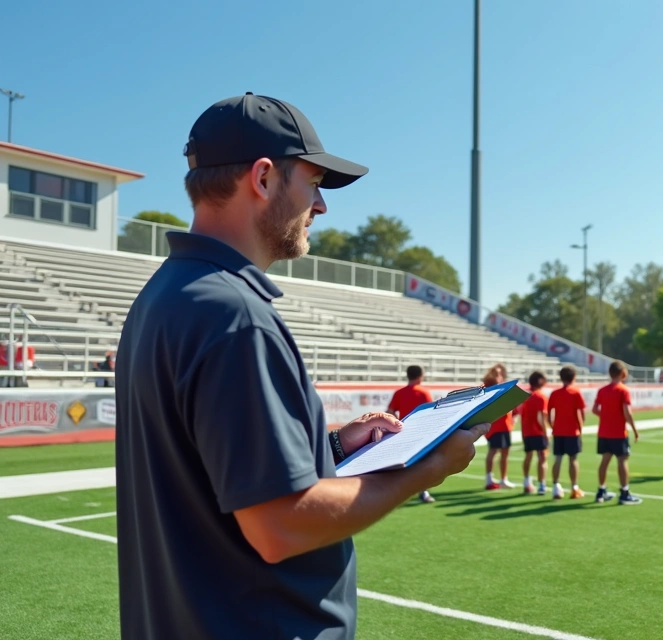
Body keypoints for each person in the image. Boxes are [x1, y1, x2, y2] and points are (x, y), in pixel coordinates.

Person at [114, 93, 487, 640]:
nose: (321, 205)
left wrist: (332, 447)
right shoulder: (233, 313)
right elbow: (279, 525)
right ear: (263, 178)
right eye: (312, 183)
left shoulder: (165, 297)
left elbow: (217, 466)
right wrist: (427, 468)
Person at [592, 360, 642, 505]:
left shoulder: (602, 390)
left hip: (604, 432)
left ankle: (601, 490)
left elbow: (595, 409)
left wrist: (606, 416)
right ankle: (624, 492)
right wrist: (634, 429)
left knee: (604, 461)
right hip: (619, 433)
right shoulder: (623, 390)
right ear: (622, 373)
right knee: (622, 460)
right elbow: (627, 412)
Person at [388, 365, 436, 503]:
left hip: (403, 431)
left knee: (403, 463)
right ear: (420, 376)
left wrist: (396, 423)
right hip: (420, 432)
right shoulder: (423, 392)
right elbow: (432, 413)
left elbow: (390, 411)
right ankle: (423, 491)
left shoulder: (399, 393)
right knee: (422, 462)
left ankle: (400, 491)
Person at [548, 364, 587, 499]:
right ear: (574, 377)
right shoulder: (575, 393)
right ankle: (574, 488)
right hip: (572, 431)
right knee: (573, 460)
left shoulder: (555, 393)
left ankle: (555, 487)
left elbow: (549, 412)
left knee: (558, 458)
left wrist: (552, 426)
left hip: (558, 431)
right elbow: (580, 413)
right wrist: (581, 428)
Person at [483, 363, 517, 490]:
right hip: (496, 425)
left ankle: (503, 478)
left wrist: (514, 418)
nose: (500, 376)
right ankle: (489, 478)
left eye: (501, 373)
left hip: (505, 425)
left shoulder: (504, 387)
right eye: (497, 373)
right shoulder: (489, 389)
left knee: (505, 453)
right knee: (493, 451)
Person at [520, 371, 551, 495]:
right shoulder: (541, 396)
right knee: (542, 458)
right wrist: (546, 432)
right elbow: (542, 418)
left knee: (528, 456)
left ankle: (527, 482)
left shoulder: (525, 395)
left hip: (527, 431)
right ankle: (542, 484)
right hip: (538, 432)